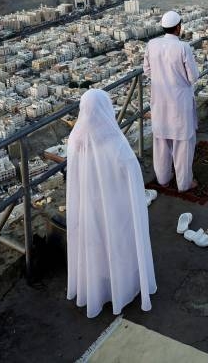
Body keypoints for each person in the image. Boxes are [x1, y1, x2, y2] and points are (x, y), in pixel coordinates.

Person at [66, 89, 156, 318]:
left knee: (96, 243)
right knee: (119, 241)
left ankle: (99, 286)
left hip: (89, 203)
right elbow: (132, 172)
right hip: (115, 203)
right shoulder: (114, 141)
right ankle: (123, 285)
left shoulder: (75, 138)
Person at [143, 10, 200, 191]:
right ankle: (184, 183)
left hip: (159, 100)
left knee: (161, 142)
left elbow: (147, 70)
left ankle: (163, 179)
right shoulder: (183, 47)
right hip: (179, 102)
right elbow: (193, 77)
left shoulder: (151, 44)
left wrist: (162, 79)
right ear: (178, 27)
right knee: (182, 145)